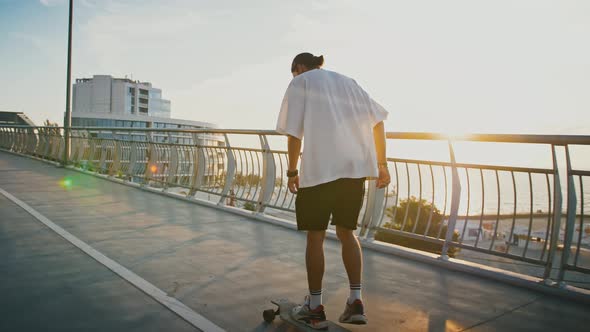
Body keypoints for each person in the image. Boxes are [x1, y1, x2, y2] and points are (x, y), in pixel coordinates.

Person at [276, 52, 390, 329]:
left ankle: (314, 307)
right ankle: (355, 301)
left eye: (294, 72)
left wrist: (292, 171)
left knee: (315, 238)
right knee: (347, 233)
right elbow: (378, 122)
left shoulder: (301, 82)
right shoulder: (348, 82)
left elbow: (294, 133)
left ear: (299, 68)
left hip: (319, 171)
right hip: (354, 170)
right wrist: (382, 164)